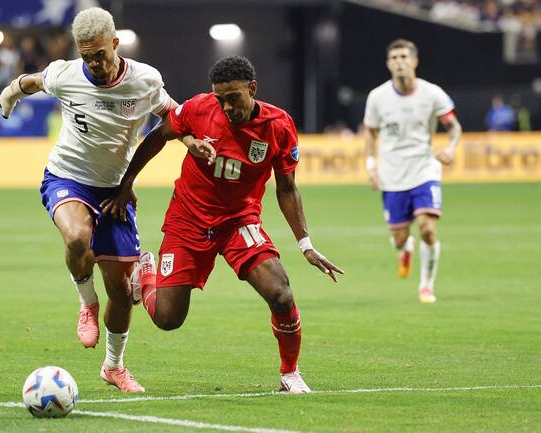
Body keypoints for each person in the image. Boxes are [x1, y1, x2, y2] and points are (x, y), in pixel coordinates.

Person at [103, 56, 344, 394]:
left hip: (238, 220)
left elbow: (287, 188)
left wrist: (305, 243)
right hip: (188, 219)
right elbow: (159, 135)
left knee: (281, 293)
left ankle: (290, 374)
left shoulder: (279, 125)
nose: (227, 106)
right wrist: (127, 182)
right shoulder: (199, 109)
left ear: (253, 89)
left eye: (234, 97)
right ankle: (148, 273)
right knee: (168, 319)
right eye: (221, 98)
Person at [0, 7, 180, 393]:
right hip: (66, 177)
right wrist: (10, 94)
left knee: (121, 291)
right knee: (77, 237)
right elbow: (31, 82)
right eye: (86, 56)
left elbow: (173, 115)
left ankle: (114, 366)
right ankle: (86, 302)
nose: (94, 63)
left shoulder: (145, 80)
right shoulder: (66, 74)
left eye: (100, 53)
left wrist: (194, 138)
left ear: (115, 43)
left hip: (115, 188)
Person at [363, 39, 462, 304]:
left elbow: (453, 126)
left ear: (414, 61)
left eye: (404, 56)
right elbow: (370, 133)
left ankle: (426, 286)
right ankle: (405, 248)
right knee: (398, 238)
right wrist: (371, 167)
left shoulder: (432, 94)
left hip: (424, 168)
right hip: (393, 174)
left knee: (428, 227)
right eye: (394, 58)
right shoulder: (377, 97)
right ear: (388, 64)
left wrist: (451, 148)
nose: (399, 62)